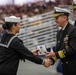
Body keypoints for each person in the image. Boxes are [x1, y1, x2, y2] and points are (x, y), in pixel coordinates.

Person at [46, 7, 76, 75]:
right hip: (65, 68)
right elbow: (57, 49)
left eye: (57, 18)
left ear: (64, 18)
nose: (55, 20)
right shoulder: (59, 32)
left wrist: (55, 54)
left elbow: (72, 50)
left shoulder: (73, 30)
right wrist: (51, 60)